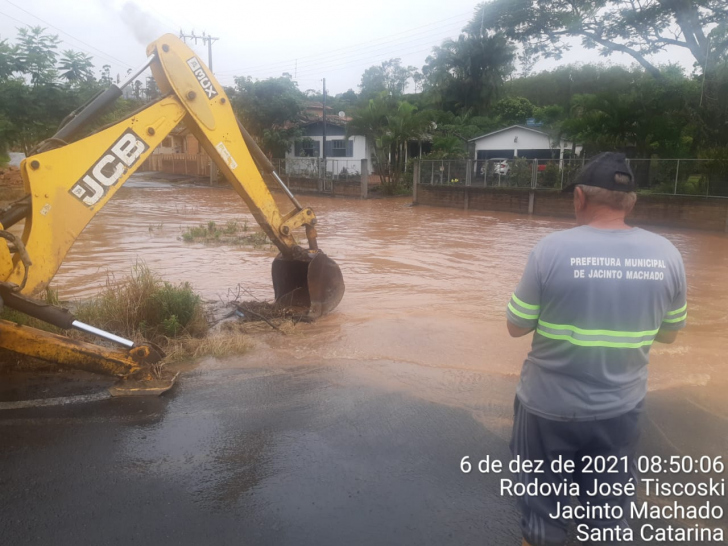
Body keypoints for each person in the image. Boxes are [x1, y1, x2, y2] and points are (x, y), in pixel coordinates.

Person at [506, 152, 687, 546]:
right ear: (631, 202)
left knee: (542, 510)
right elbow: (670, 334)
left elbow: (516, 326)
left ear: (579, 198)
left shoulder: (550, 250)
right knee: (606, 515)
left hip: (546, 408)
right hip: (619, 409)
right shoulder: (669, 255)